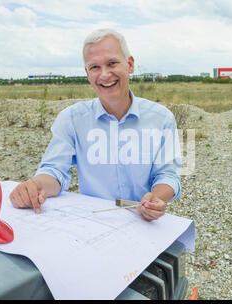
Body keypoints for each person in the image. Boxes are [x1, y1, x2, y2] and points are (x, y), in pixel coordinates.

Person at [10, 28, 181, 221]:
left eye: (112, 63)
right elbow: (54, 171)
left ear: (130, 65)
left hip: (143, 221)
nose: (105, 74)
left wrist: (156, 200)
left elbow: (169, 174)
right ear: (87, 73)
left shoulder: (163, 118)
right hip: (95, 222)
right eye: (95, 67)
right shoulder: (71, 119)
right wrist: (35, 186)